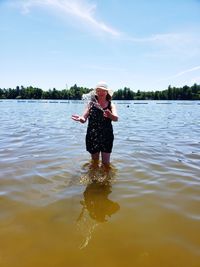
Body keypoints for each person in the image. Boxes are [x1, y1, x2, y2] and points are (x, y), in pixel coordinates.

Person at [71, 81, 118, 165]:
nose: (101, 92)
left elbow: (116, 118)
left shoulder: (111, 105)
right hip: (93, 135)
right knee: (94, 163)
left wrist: (110, 115)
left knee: (106, 163)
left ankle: (106, 178)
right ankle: (93, 178)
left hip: (106, 136)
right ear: (96, 92)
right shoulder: (91, 104)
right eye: (99, 90)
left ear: (107, 92)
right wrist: (80, 119)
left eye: (103, 90)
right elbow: (84, 118)